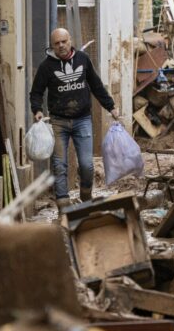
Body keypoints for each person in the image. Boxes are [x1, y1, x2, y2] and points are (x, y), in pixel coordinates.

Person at [29, 28, 120, 209]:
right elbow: (36, 92)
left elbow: (96, 85)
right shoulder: (46, 66)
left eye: (64, 41)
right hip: (58, 122)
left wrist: (111, 106)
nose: (61, 45)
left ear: (70, 41)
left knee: (87, 165)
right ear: (52, 46)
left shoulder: (82, 59)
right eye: (57, 43)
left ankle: (85, 196)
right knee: (59, 165)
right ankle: (63, 207)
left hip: (82, 120)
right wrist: (37, 109)